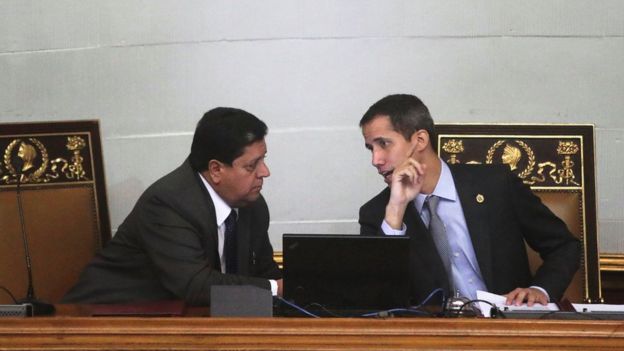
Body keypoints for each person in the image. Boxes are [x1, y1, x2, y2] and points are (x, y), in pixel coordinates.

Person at [358, 94, 579, 307]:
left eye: (384, 144)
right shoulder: (377, 213)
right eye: (371, 148)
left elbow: (564, 246)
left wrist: (540, 290)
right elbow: (378, 298)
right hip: (434, 339)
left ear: (420, 140)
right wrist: (396, 210)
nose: (375, 160)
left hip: (509, 330)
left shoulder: (496, 185)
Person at [63, 107, 282, 305]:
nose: (265, 172)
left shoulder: (251, 204)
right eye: (252, 165)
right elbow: (195, 286)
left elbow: (264, 271)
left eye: (263, 160)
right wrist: (274, 289)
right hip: (103, 320)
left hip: (187, 320)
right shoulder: (168, 204)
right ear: (216, 170)